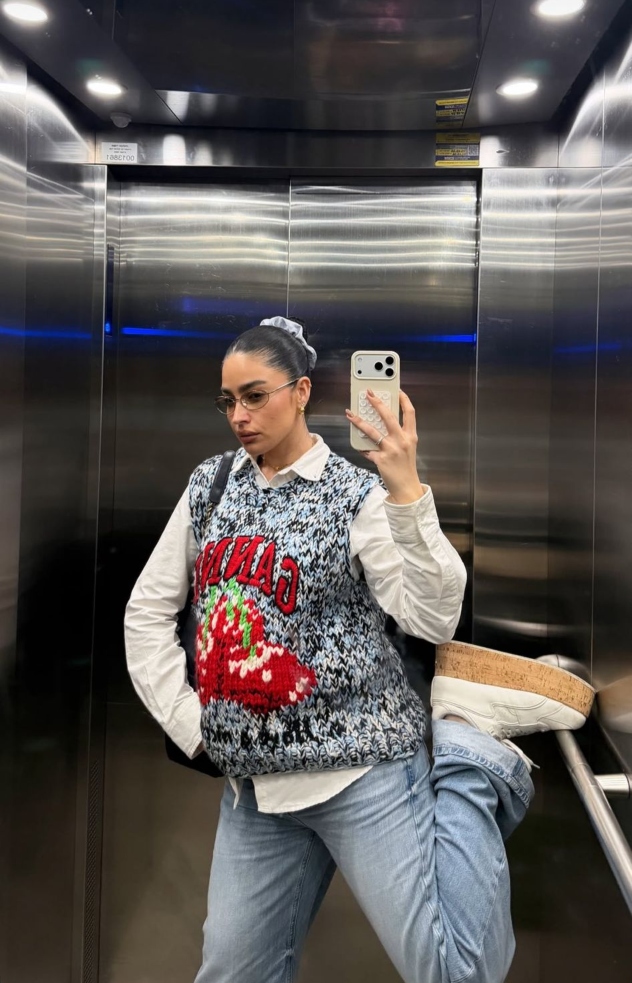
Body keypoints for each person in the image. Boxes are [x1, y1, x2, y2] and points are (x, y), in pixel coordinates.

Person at [125, 316, 594, 983]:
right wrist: (192, 725)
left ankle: (471, 753)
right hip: (256, 789)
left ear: (301, 391)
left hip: (360, 769)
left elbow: (432, 617)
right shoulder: (213, 484)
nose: (239, 416)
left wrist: (405, 488)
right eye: (228, 400)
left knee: (453, 972)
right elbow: (147, 611)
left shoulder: (356, 495)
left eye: (255, 396)